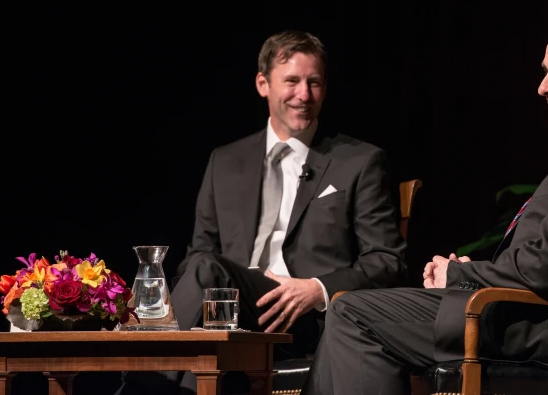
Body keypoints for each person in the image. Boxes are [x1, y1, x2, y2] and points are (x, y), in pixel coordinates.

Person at [303, 12, 548, 394]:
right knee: (349, 309)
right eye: (545, 72)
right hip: (537, 310)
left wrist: (463, 277)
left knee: (352, 313)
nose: (543, 87)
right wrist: (472, 275)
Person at [116, 30, 407, 394]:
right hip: (226, 313)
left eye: (314, 83)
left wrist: (317, 290)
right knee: (204, 277)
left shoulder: (359, 161)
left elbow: (386, 261)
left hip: (300, 318)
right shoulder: (225, 161)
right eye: (292, 82)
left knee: (207, 271)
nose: (304, 95)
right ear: (262, 84)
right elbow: (195, 257)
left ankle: (136, 385)